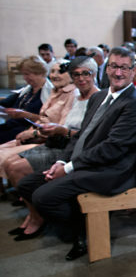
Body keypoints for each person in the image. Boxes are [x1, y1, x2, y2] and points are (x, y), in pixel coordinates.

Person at [16, 47, 136, 260]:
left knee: (43, 197)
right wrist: (62, 160)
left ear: (133, 72)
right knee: (26, 185)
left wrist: (68, 168)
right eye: (114, 66)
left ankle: (83, 228)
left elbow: (112, 148)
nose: (118, 73)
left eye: (125, 68)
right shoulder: (99, 97)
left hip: (110, 170)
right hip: (88, 162)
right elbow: (81, 136)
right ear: (106, 69)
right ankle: (79, 222)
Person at [4, 56, 99, 192]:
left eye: (86, 74)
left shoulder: (97, 98)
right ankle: (30, 204)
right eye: (76, 75)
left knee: (16, 168)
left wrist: (59, 131)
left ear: (94, 74)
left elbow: (91, 136)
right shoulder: (77, 97)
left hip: (73, 150)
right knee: (10, 163)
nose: (81, 78)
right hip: (59, 142)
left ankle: (34, 208)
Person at [0, 60, 76, 181]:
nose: (55, 75)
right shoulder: (55, 91)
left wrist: (32, 132)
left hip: (49, 140)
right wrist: (30, 131)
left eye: (60, 72)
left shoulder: (72, 94)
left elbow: (60, 127)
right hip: (34, 131)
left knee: (10, 163)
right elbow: (43, 118)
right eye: (52, 71)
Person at [0, 56, 51, 144]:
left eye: (27, 74)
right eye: (23, 74)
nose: (24, 78)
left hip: (27, 131)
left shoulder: (50, 93)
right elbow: (5, 103)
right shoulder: (26, 90)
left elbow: (49, 120)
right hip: (12, 125)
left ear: (40, 73)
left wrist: (25, 114)